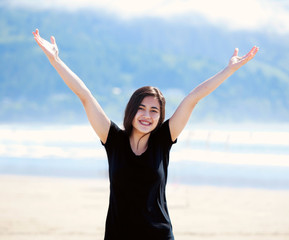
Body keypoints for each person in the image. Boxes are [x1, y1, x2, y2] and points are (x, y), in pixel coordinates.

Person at [32, 29, 258, 240]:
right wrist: (55, 60)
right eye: (141, 108)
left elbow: (193, 98)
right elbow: (85, 95)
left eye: (154, 111)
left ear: (160, 117)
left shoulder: (163, 140)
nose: (147, 115)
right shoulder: (113, 140)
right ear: (131, 110)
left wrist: (229, 70)